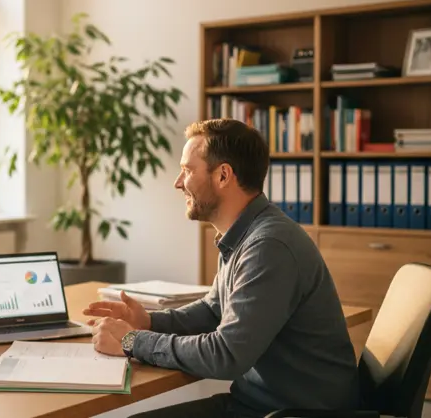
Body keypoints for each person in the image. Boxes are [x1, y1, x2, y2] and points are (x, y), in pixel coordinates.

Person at [83, 119, 359, 418]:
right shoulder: (242, 235)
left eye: (188, 170)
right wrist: (149, 321)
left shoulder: (268, 246)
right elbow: (214, 311)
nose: (178, 182)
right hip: (260, 405)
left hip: (289, 413)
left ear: (223, 175)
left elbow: (226, 355)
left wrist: (132, 341)